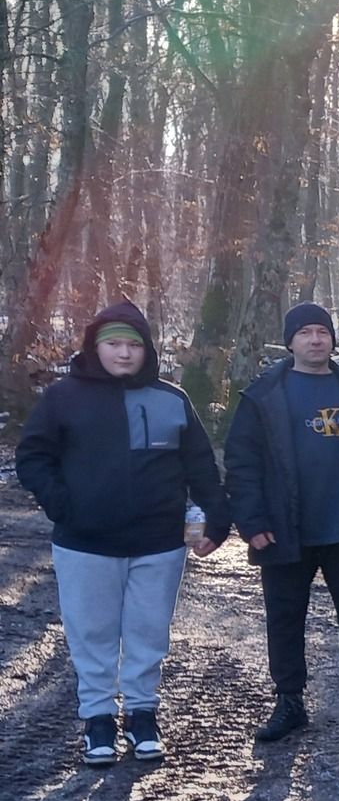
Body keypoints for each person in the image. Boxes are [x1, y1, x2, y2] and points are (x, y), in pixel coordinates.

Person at [18, 301, 230, 767]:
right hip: (85, 543)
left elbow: (199, 466)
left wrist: (217, 518)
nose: (124, 353)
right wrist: (63, 505)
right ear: (96, 346)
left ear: (147, 350)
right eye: (114, 343)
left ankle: (142, 715)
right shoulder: (63, 397)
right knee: (91, 633)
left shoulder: (172, 400)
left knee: (148, 632)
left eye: (134, 345)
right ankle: (97, 721)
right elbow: (32, 457)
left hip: (158, 543)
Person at [225, 302, 339, 741]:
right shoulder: (263, 395)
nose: (316, 340)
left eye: (323, 332)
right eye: (306, 333)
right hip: (283, 526)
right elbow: (242, 464)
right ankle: (289, 700)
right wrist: (251, 520)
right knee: (284, 617)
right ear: (290, 340)